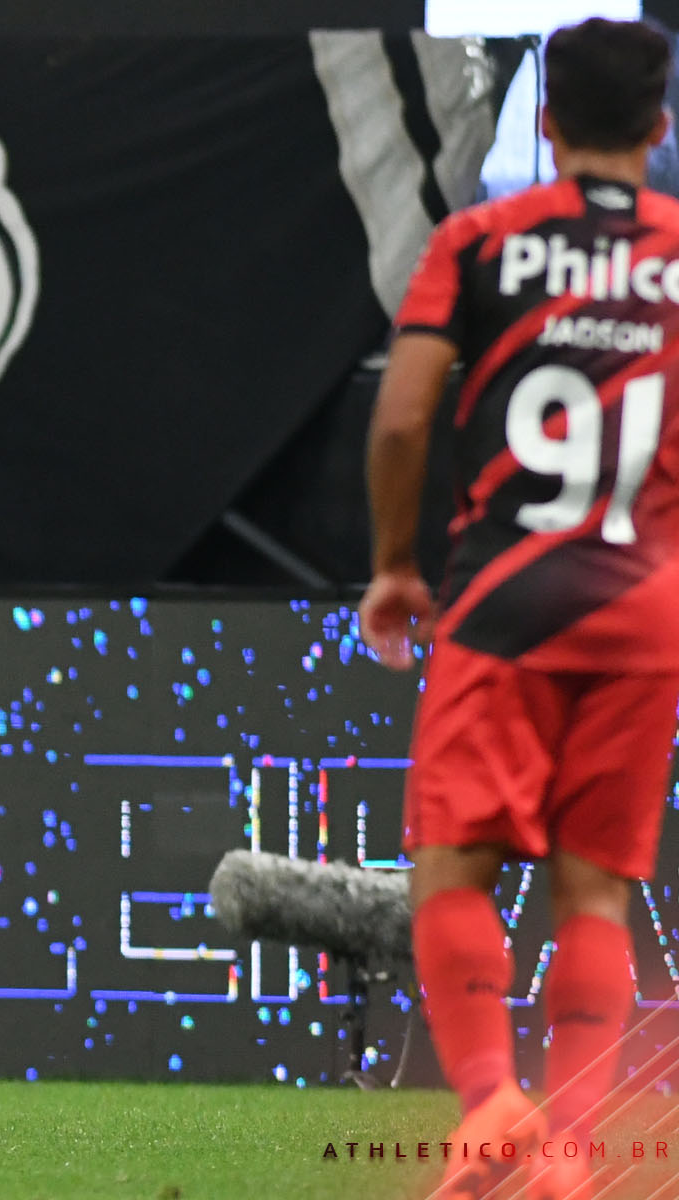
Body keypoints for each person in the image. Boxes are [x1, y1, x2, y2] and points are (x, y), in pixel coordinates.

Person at [360, 18, 679, 1200]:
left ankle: (492, 1099)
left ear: (544, 123)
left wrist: (397, 565)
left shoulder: (479, 242)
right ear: (658, 127)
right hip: (643, 609)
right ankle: (572, 1147)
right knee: (594, 889)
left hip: (502, 599)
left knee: (451, 867)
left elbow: (403, 417)